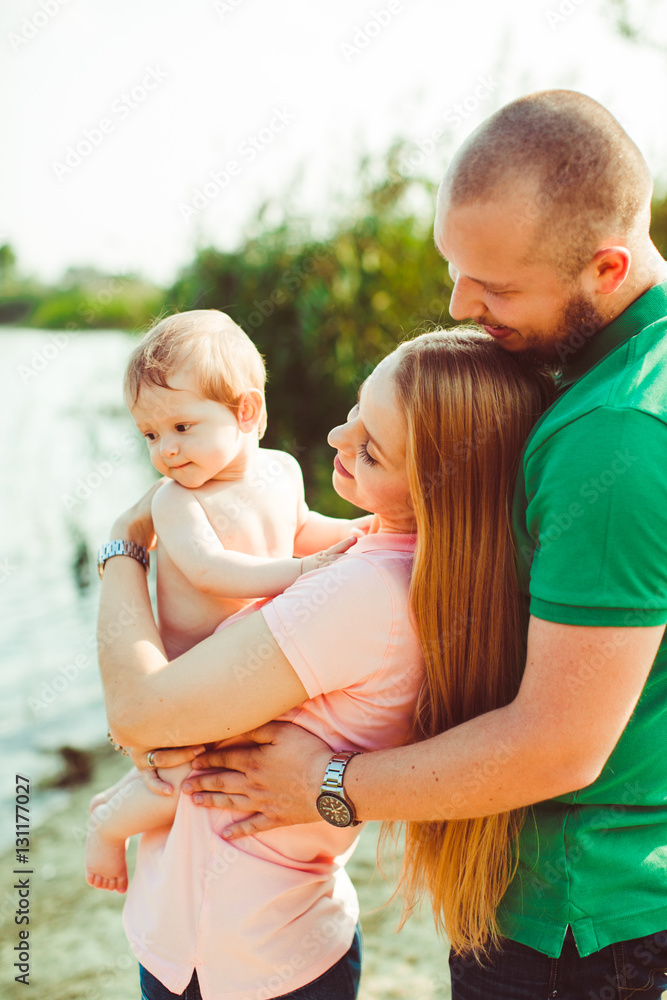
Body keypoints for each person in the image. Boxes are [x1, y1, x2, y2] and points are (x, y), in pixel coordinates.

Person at [178, 90, 667, 999]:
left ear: (604, 266)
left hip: (573, 920)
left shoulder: (619, 434)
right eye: (454, 268)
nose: (458, 303)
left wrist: (331, 784)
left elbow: (559, 747)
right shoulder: (627, 369)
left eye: (497, 286)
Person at [97, 329, 553, 1000]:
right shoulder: (411, 561)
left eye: (368, 447)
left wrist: (122, 550)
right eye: (353, 412)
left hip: (241, 951)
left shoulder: (363, 592)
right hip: (261, 930)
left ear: (435, 483)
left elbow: (139, 716)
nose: (339, 438)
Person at [86, 308, 366, 893]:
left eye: (182, 427)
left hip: (242, 666)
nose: (166, 450)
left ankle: (119, 797)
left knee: (232, 759)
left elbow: (304, 525)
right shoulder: (175, 501)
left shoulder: (282, 470)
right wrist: (300, 571)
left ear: (248, 412)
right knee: (184, 774)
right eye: (151, 435)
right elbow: (213, 572)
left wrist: (363, 529)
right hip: (189, 674)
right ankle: (110, 827)